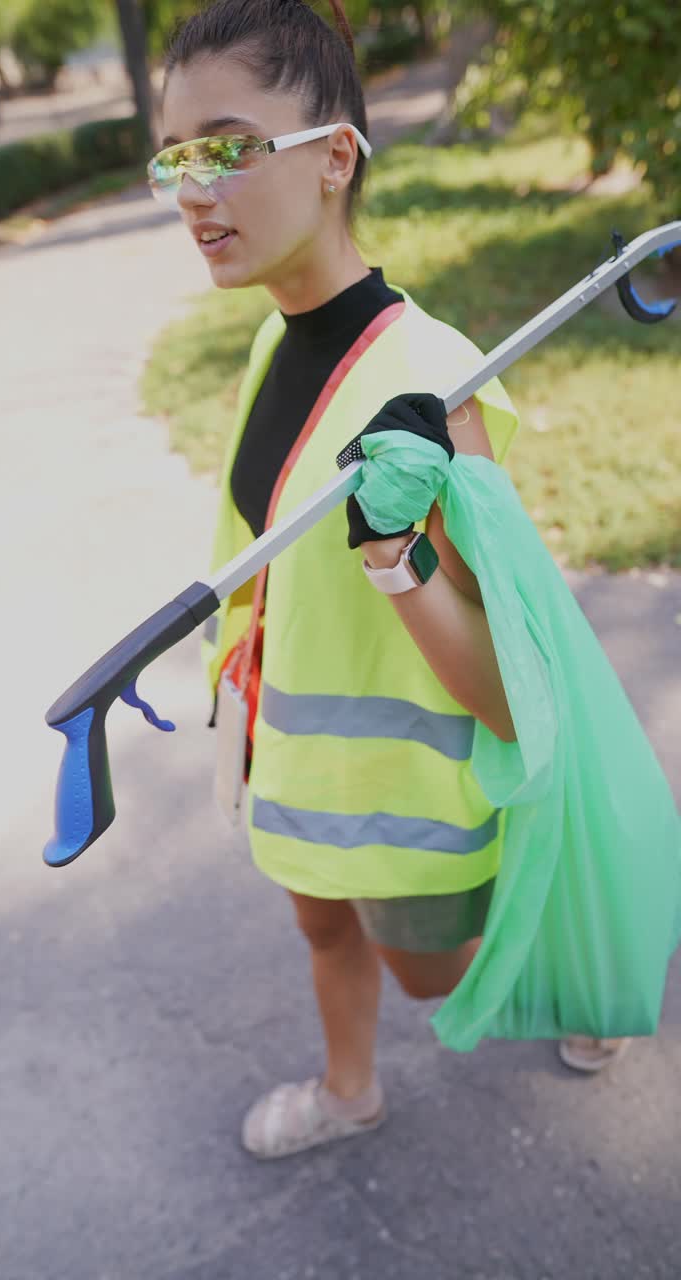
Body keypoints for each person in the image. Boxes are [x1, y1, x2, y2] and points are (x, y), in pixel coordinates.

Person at [151, 0, 628, 1158]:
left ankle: (579, 972)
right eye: (175, 159)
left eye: (226, 148)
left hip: (403, 801)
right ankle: (349, 1088)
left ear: (335, 158)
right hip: (286, 759)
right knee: (323, 932)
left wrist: (391, 554)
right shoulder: (272, 338)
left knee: (431, 973)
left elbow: (512, 689)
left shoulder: (434, 386)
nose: (194, 192)